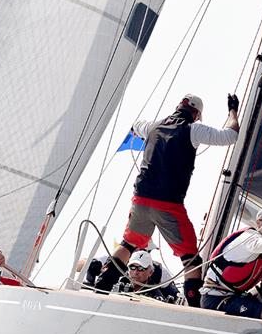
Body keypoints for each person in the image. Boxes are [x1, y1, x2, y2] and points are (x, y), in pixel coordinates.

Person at [94, 93, 241, 307]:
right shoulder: (193, 129)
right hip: (169, 204)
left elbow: (136, 124)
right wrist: (232, 111)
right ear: (197, 114)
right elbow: (230, 135)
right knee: (190, 258)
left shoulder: (153, 126)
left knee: (129, 243)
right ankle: (194, 307)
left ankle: (102, 287)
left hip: (141, 199)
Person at [200, 206, 262, 323]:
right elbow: (256, 245)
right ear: (259, 222)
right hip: (215, 299)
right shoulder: (247, 237)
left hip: (236, 297)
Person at [112, 250, 179, 303]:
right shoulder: (116, 283)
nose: (135, 272)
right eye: (132, 267)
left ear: (150, 272)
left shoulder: (156, 297)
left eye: (141, 269)